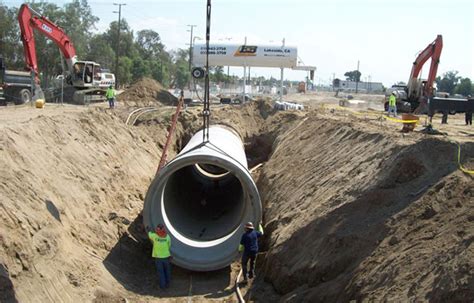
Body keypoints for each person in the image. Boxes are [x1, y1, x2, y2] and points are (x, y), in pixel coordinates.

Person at [148, 224, 172, 289]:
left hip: (158, 259)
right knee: (167, 271)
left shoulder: (154, 236)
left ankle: (162, 286)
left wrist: (149, 230)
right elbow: (169, 245)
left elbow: (149, 235)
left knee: (161, 273)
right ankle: (168, 284)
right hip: (166, 258)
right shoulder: (167, 237)